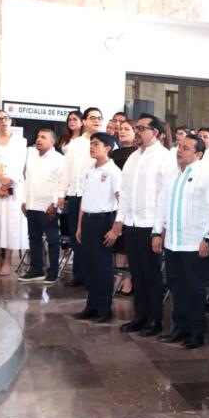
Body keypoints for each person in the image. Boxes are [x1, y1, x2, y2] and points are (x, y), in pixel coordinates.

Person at [153, 135, 209, 349]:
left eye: (186, 148)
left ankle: (197, 331)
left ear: (198, 154)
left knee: (195, 288)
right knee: (176, 286)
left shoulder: (206, 175)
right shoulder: (171, 174)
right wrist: (156, 232)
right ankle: (179, 328)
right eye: (180, 147)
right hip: (172, 241)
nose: (180, 151)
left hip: (195, 242)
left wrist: (207, 238)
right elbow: (162, 204)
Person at [114, 113, 171, 337]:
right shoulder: (133, 157)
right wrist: (120, 220)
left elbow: (164, 197)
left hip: (151, 225)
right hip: (132, 223)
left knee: (152, 275)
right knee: (136, 272)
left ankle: (155, 320)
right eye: (135, 128)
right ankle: (140, 317)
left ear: (155, 132)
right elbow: (124, 193)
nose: (136, 132)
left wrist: (159, 230)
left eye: (141, 128)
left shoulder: (164, 157)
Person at [72, 132, 121, 323]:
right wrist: (79, 226)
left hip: (104, 221)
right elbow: (85, 200)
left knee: (102, 267)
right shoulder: (91, 170)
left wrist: (115, 229)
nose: (91, 147)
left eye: (96, 144)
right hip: (88, 221)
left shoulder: (113, 171)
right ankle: (91, 306)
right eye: (91, 144)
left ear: (107, 148)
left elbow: (120, 200)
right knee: (89, 265)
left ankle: (104, 308)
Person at [58, 107, 100, 287]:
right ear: (84, 121)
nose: (96, 121)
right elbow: (66, 171)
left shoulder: (106, 142)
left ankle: (92, 277)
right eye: (92, 118)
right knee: (76, 236)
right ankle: (79, 275)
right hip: (75, 194)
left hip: (94, 197)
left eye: (99, 118)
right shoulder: (75, 144)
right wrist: (61, 194)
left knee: (92, 237)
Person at [19, 128, 64, 283]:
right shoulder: (32, 158)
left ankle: (53, 273)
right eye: (38, 136)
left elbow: (62, 184)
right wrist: (24, 200)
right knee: (34, 238)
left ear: (52, 142)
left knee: (52, 240)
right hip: (32, 204)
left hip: (48, 207)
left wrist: (55, 204)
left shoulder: (59, 159)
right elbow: (28, 181)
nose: (39, 139)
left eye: (43, 137)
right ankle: (36, 270)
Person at [0, 109, 28, 275]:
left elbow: (19, 165)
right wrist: (0, 179)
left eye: (5, 118)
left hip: (13, 185)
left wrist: (7, 183)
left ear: (10, 120)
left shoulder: (21, 141)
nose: (3, 121)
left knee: (10, 223)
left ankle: (7, 260)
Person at [110, 119, 138, 296]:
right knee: (118, 242)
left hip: (132, 202)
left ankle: (129, 279)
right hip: (115, 202)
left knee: (129, 242)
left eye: (127, 129)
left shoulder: (137, 153)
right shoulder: (114, 153)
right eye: (120, 129)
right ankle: (119, 276)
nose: (122, 132)